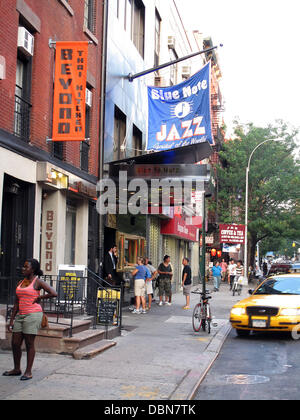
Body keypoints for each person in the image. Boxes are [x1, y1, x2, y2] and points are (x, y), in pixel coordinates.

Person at [3, 258, 57, 381]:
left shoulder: (38, 282)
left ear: (33, 269)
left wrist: (40, 297)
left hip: (33, 314)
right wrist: (11, 320)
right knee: (15, 343)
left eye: (26, 267)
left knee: (29, 343)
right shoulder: (21, 282)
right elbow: (17, 302)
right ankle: (17, 369)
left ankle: (28, 371)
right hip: (21, 315)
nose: (23, 269)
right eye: (23, 266)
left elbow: (54, 293)